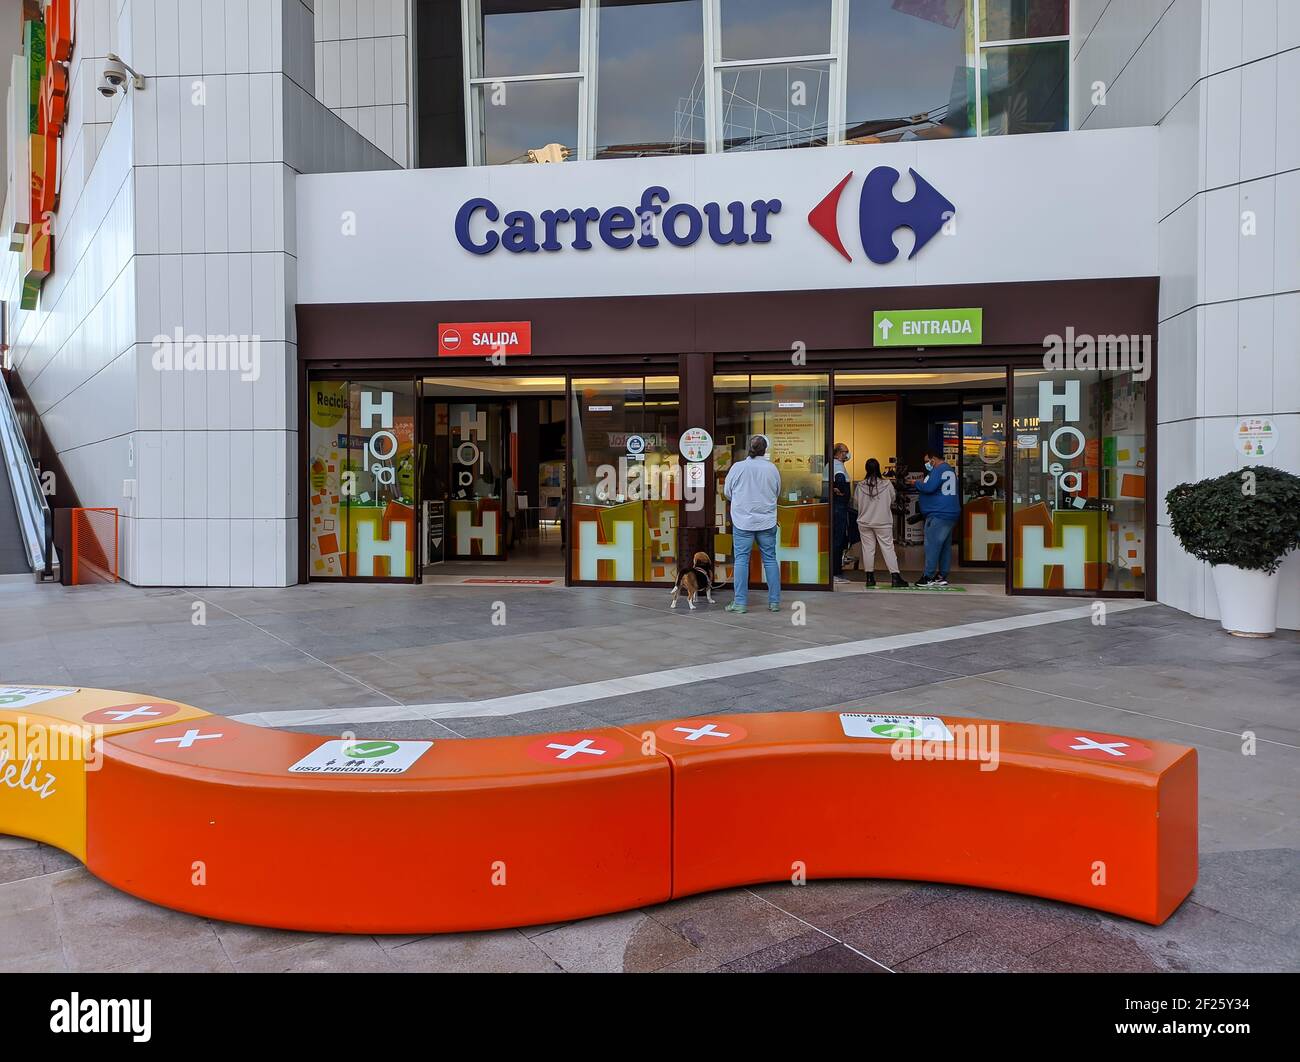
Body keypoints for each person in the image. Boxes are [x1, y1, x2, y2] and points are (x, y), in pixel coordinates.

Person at [722, 434, 783, 614]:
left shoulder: (738, 467)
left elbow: (727, 492)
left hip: (742, 522)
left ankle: (740, 603)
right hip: (767, 520)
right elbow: (777, 491)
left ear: (749, 448)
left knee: (741, 560)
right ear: (765, 450)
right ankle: (774, 602)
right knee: (770, 560)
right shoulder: (772, 469)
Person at [853, 458, 907, 589]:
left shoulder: (860, 486)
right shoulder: (887, 484)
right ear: (878, 468)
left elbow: (855, 504)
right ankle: (895, 577)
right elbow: (892, 499)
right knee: (888, 548)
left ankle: (869, 578)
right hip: (883, 522)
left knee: (868, 549)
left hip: (864, 522)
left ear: (866, 469)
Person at [914, 448, 960, 587]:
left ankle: (927, 577)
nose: (927, 464)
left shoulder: (938, 470)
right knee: (945, 546)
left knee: (932, 546)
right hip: (950, 513)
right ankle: (942, 576)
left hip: (939, 513)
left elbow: (928, 488)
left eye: (927, 461)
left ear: (933, 459)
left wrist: (916, 483)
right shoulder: (949, 470)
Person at [829, 442, 852, 585]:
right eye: (846, 451)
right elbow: (840, 480)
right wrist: (841, 491)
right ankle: (835, 571)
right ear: (839, 452)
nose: (847, 454)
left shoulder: (832, 464)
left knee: (835, 538)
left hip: (836, 506)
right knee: (838, 539)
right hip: (839, 507)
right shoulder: (837, 466)